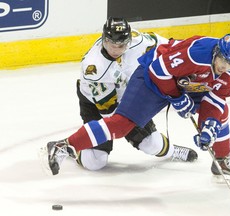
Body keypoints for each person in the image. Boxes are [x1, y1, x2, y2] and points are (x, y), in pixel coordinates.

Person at [47, 32, 230, 182]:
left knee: (221, 114)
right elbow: (159, 70)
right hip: (152, 79)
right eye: (223, 60)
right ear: (216, 52)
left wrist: (208, 127)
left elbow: (214, 102)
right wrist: (178, 99)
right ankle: (63, 146)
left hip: (185, 85)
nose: (224, 67)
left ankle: (222, 159)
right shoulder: (197, 54)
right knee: (121, 125)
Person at [53, 17, 198, 174]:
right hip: (95, 103)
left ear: (129, 40)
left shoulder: (140, 41)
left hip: (129, 93)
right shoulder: (94, 68)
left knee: (152, 144)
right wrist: (131, 126)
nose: (116, 49)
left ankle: (173, 151)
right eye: (111, 44)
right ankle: (72, 149)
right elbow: (110, 114)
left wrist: (186, 68)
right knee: (95, 161)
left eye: (121, 45)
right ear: (104, 39)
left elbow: (172, 49)